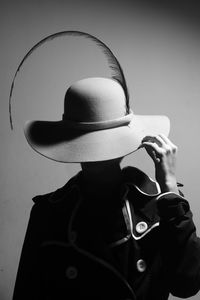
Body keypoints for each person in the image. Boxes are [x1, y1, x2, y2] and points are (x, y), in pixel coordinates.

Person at [13, 77, 200, 300]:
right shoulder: (49, 212)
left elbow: (186, 284)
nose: (97, 155)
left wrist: (169, 188)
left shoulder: (156, 206)